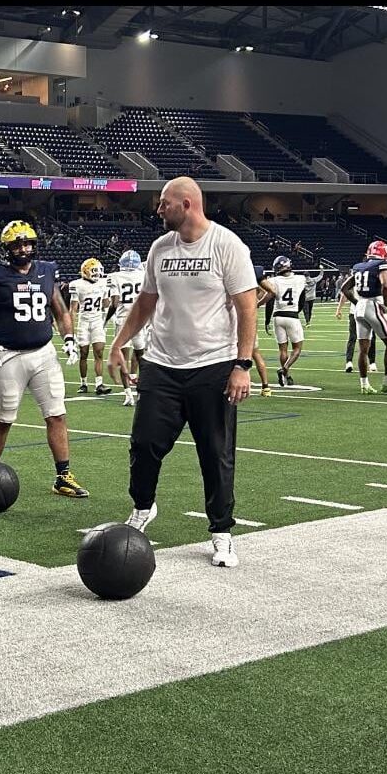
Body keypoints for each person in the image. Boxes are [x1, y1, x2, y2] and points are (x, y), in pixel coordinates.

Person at [109, 177, 258, 569]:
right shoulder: (160, 248)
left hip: (213, 365)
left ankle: (222, 532)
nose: (158, 210)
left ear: (187, 204)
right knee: (143, 444)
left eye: (164, 204)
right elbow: (147, 301)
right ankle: (143, 507)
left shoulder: (227, 245)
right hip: (162, 364)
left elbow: (246, 308)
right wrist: (119, 342)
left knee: (216, 454)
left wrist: (241, 366)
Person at [0, 220, 89, 499]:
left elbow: (60, 311)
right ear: (7, 247)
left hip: (44, 353)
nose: (23, 249)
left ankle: (63, 476)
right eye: (17, 244)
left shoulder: (47, 271)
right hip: (8, 355)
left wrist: (68, 337)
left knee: (56, 414)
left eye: (27, 243)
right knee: (4, 419)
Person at [339, 240, 387, 394]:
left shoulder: (358, 266)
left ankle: (364, 385)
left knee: (363, 349)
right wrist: (386, 304)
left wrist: (356, 302)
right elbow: (385, 285)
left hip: (360, 307)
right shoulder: (381, 265)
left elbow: (344, 288)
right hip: (374, 304)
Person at [106, 250, 148, 406]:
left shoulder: (114, 277)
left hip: (124, 320)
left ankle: (128, 394)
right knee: (141, 357)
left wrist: (106, 320)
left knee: (123, 357)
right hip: (141, 319)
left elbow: (115, 303)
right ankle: (141, 391)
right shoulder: (143, 275)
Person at [260, 255, 306, 387]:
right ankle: (284, 370)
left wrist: (260, 308)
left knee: (283, 349)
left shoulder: (273, 280)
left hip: (277, 316)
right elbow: (302, 299)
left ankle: (287, 376)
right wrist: (298, 311)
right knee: (297, 349)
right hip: (292, 315)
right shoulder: (300, 279)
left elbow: (269, 298)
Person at [69, 258, 112, 395]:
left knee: (99, 352)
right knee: (84, 353)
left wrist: (109, 296)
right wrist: (71, 329)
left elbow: (106, 304)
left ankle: (99, 384)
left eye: (98, 271)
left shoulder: (104, 283)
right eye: (94, 271)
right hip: (84, 321)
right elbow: (73, 309)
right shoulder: (77, 284)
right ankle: (83, 383)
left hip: (97, 320)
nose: (97, 274)